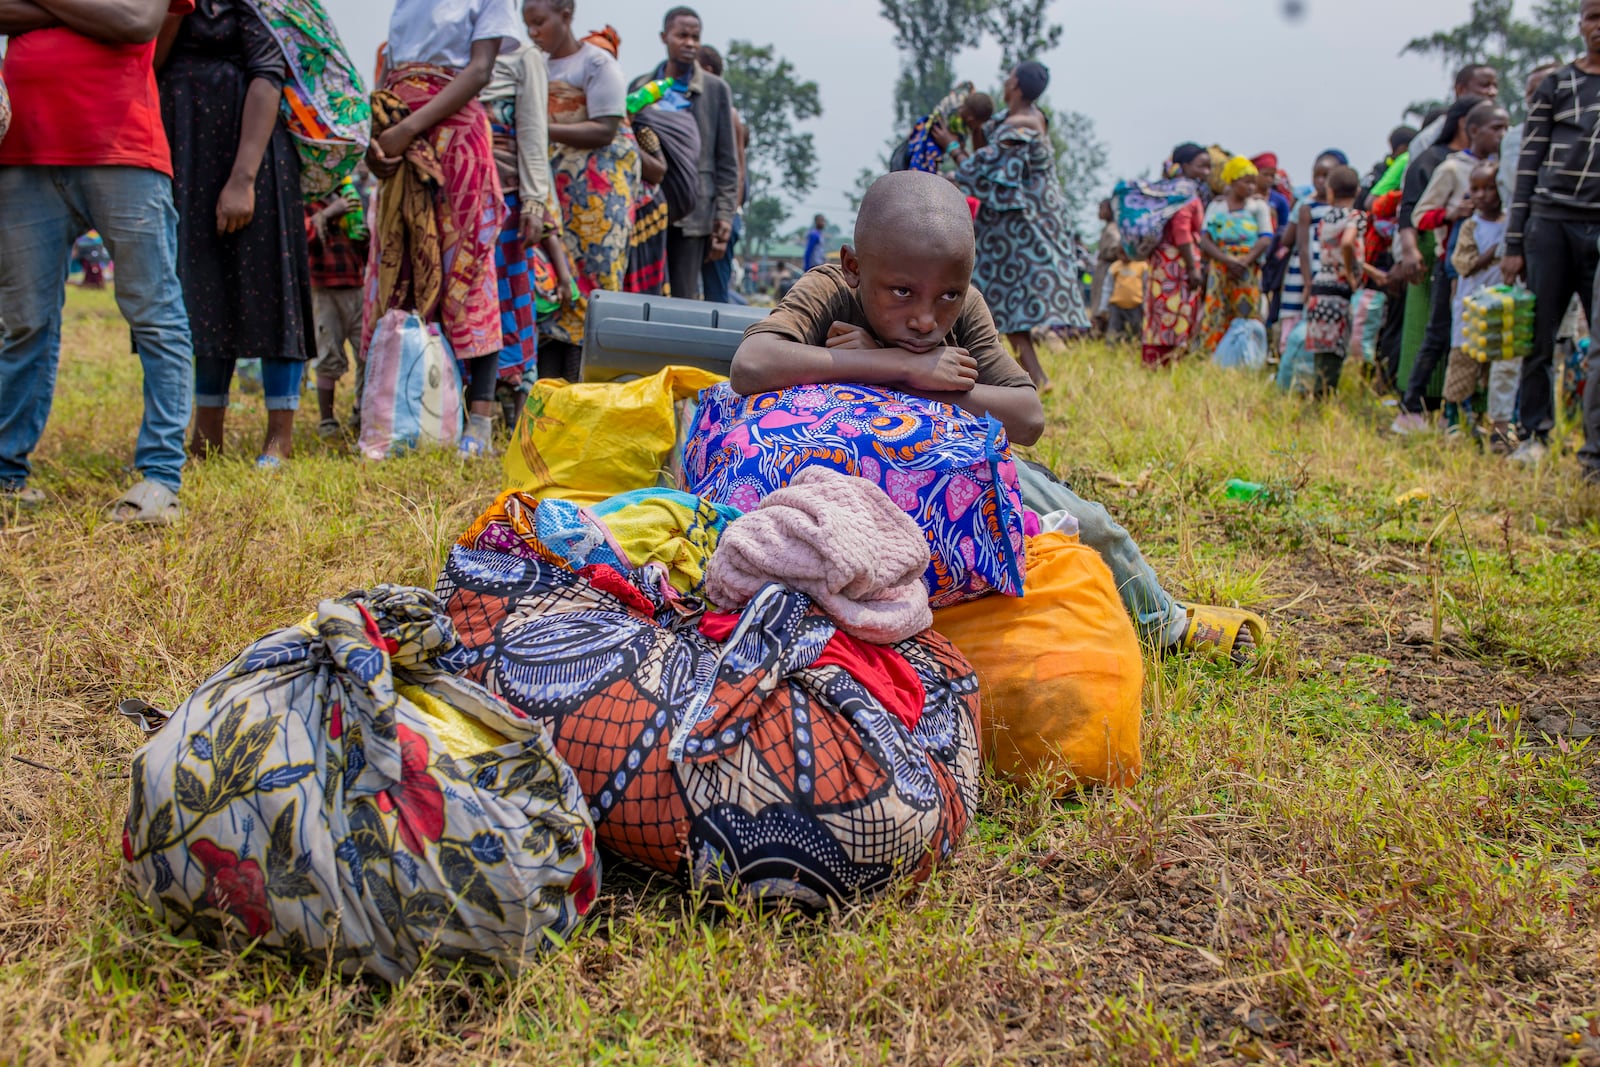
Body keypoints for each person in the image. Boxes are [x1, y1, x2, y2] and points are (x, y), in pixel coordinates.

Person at [731, 171, 1266, 660]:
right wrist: (899, 366)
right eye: (901, 292)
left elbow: (1027, 416)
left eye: (947, 295)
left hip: (945, 467)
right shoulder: (829, 288)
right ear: (854, 267)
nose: (924, 318)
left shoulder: (964, 308)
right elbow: (752, 363)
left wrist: (907, 381)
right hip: (835, 467)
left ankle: (1166, 625)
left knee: (1093, 526)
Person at [0, 0, 195, 522]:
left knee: (154, 314)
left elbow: (135, 22)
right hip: (23, 151)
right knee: (23, 323)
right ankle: (4, 476)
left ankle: (159, 480)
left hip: (125, 150)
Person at [155, 0, 314, 470]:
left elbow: (268, 73)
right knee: (203, 290)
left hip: (251, 156)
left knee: (270, 288)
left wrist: (243, 179)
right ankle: (206, 435)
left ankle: (279, 437)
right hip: (188, 153)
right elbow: (152, 62)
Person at [369, 0, 520, 457]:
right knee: (404, 269)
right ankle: (409, 411)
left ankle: (478, 420)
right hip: (398, 137)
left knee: (467, 271)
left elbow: (478, 71)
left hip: (454, 137)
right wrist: (376, 141)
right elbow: (390, 73)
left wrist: (406, 130)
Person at [941, 59, 1090, 391]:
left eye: (1009, 77)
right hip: (1009, 224)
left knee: (1003, 299)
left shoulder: (1022, 124)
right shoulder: (1019, 120)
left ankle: (1020, 376)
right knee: (1005, 301)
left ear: (1016, 86)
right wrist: (976, 129)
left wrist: (951, 146)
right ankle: (1033, 376)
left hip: (1021, 227)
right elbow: (988, 156)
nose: (1005, 81)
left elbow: (984, 171)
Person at [1503, 2, 1600, 474]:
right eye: (1593, 16)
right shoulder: (1555, 86)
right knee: (1539, 336)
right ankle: (1536, 434)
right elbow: (1528, 165)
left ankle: (1594, 452)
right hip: (1550, 222)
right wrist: (1514, 243)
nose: (1598, 27)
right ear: (1580, 23)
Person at [523, 5, 638, 377]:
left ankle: (582, 387)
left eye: (539, 23)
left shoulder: (596, 64)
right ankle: (548, 393)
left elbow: (605, 129)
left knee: (591, 291)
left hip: (595, 202)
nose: (533, 32)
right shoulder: (532, 66)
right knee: (550, 288)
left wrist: (538, 129)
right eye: (528, 25)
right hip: (549, 198)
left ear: (566, 14)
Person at [1390, 94, 1492, 434]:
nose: (1502, 134)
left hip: (1487, 269)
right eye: (1497, 128)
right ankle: (1411, 406)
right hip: (1452, 265)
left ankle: (1465, 413)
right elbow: (1417, 214)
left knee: (1477, 340)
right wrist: (1451, 213)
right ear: (1470, 127)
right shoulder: (1446, 166)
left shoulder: (1495, 166)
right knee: (1438, 335)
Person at [629, 6, 738, 301]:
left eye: (695, 37)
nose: (689, 42)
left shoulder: (715, 90)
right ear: (665, 37)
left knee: (683, 297)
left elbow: (727, 162)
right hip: (648, 207)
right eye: (682, 35)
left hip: (695, 212)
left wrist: (724, 216)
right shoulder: (642, 88)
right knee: (643, 293)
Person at [480, 38, 554, 398]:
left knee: (511, 304)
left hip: (508, 204)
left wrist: (534, 202)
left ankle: (515, 403)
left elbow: (533, 133)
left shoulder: (524, 58)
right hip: (451, 200)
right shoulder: (449, 51)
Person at [1446, 161, 1516, 448]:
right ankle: (1455, 421)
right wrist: (1493, 254)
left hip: (1501, 308)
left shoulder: (1511, 222)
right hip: (1470, 305)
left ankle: (1490, 421)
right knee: (1463, 362)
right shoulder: (1470, 227)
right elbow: (1462, 265)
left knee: (1495, 365)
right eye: (1475, 189)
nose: (1482, 195)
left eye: (1489, 188)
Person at [305, 188, 369, 439]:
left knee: (366, 352)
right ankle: (327, 420)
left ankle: (361, 410)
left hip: (356, 287)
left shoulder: (352, 198)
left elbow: (363, 249)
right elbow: (305, 239)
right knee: (328, 354)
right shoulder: (310, 201)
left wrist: (363, 240)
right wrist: (329, 214)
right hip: (324, 290)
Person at [1139, 143, 1210, 368]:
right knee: (1174, 313)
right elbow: (1182, 232)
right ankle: (1165, 363)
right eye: (1202, 166)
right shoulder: (1185, 193)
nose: (1207, 172)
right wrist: (1192, 267)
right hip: (1176, 264)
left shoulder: (1170, 190)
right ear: (1186, 166)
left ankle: (1157, 363)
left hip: (1163, 263)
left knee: (1160, 313)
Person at [1196, 156, 1274, 354]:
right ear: (1231, 181)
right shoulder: (1217, 207)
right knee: (1217, 312)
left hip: (1247, 270)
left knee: (1247, 315)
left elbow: (1265, 237)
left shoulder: (1258, 207)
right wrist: (1228, 261)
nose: (1250, 187)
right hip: (1220, 268)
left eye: (1252, 183)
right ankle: (1214, 357)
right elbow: (1205, 239)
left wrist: (1243, 262)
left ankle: (1245, 358)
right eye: (1245, 182)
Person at [1302, 166, 1365, 396]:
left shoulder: (1327, 218)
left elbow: (1338, 250)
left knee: (1322, 346)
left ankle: (1319, 394)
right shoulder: (1355, 217)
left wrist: (1371, 272)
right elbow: (1348, 244)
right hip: (1339, 291)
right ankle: (1325, 398)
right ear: (1357, 191)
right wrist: (1350, 274)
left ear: (1330, 192)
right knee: (1336, 347)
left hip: (1320, 287)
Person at [694, 43, 746, 303]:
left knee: (716, 292)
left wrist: (726, 216)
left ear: (708, 70)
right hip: (698, 213)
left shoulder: (728, 112)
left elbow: (735, 169)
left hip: (720, 215)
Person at [1278, 152, 1342, 346]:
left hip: (1329, 268)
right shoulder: (1306, 206)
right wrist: (1307, 282)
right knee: (1297, 309)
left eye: (1326, 176)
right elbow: (1302, 245)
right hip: (1305, 269)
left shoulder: (1339, 208)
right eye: (1317, 176)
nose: (1321, 181)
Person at [896, 82, 993, 175]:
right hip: (927, 140)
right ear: (971, 120)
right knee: (922, 171)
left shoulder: (959, 99)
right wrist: (953, 145)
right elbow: (971, 169)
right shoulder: (956, 125)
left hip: (922, 132)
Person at [1090, 198, 1121, 331]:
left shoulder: (1113, 229)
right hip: (1102, 268)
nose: (1099, 212)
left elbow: (1116, 247)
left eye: (1102, 208)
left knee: (1103, 301)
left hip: (1107, 269)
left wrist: (1106, 254)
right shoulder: (1108, 228)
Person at [1105, 252, 1147, 341]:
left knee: (1136, 330)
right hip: (1116, 306)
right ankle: (1110, 349)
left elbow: (1146, 287)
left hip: (1136, 306)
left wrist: (1145, 306)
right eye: (1120, 254)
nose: (1123, 257)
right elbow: (1107, 288)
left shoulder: (1141, 266)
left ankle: (1134, 347)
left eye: (1125, 254)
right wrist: (1103, 307)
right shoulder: (1115, 267)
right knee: (1113, 331)